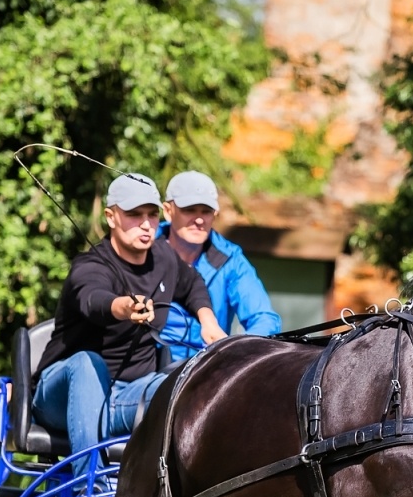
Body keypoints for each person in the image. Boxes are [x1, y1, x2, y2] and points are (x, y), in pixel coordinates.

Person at [33, 173, 228, 454]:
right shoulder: (89, 267)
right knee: (89, 364)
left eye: (151, 214)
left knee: (189, 383)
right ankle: (85, 485)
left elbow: (192, 284)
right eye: (134, 215)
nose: (146, 224)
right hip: (61, 399)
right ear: (111, 217)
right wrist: (125, 307)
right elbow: (94, 300)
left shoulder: (164, 257)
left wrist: (208, 321)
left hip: (127, 398)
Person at [158, 170, 280, 359]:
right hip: (145, 369)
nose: (199, 219)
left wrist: (232, 349)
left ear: (215, 214)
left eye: (205, 211)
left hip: (206, 370)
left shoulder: (230, 260)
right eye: (189, 209)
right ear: (168, 211)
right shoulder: (143, 249)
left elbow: (265, 319)